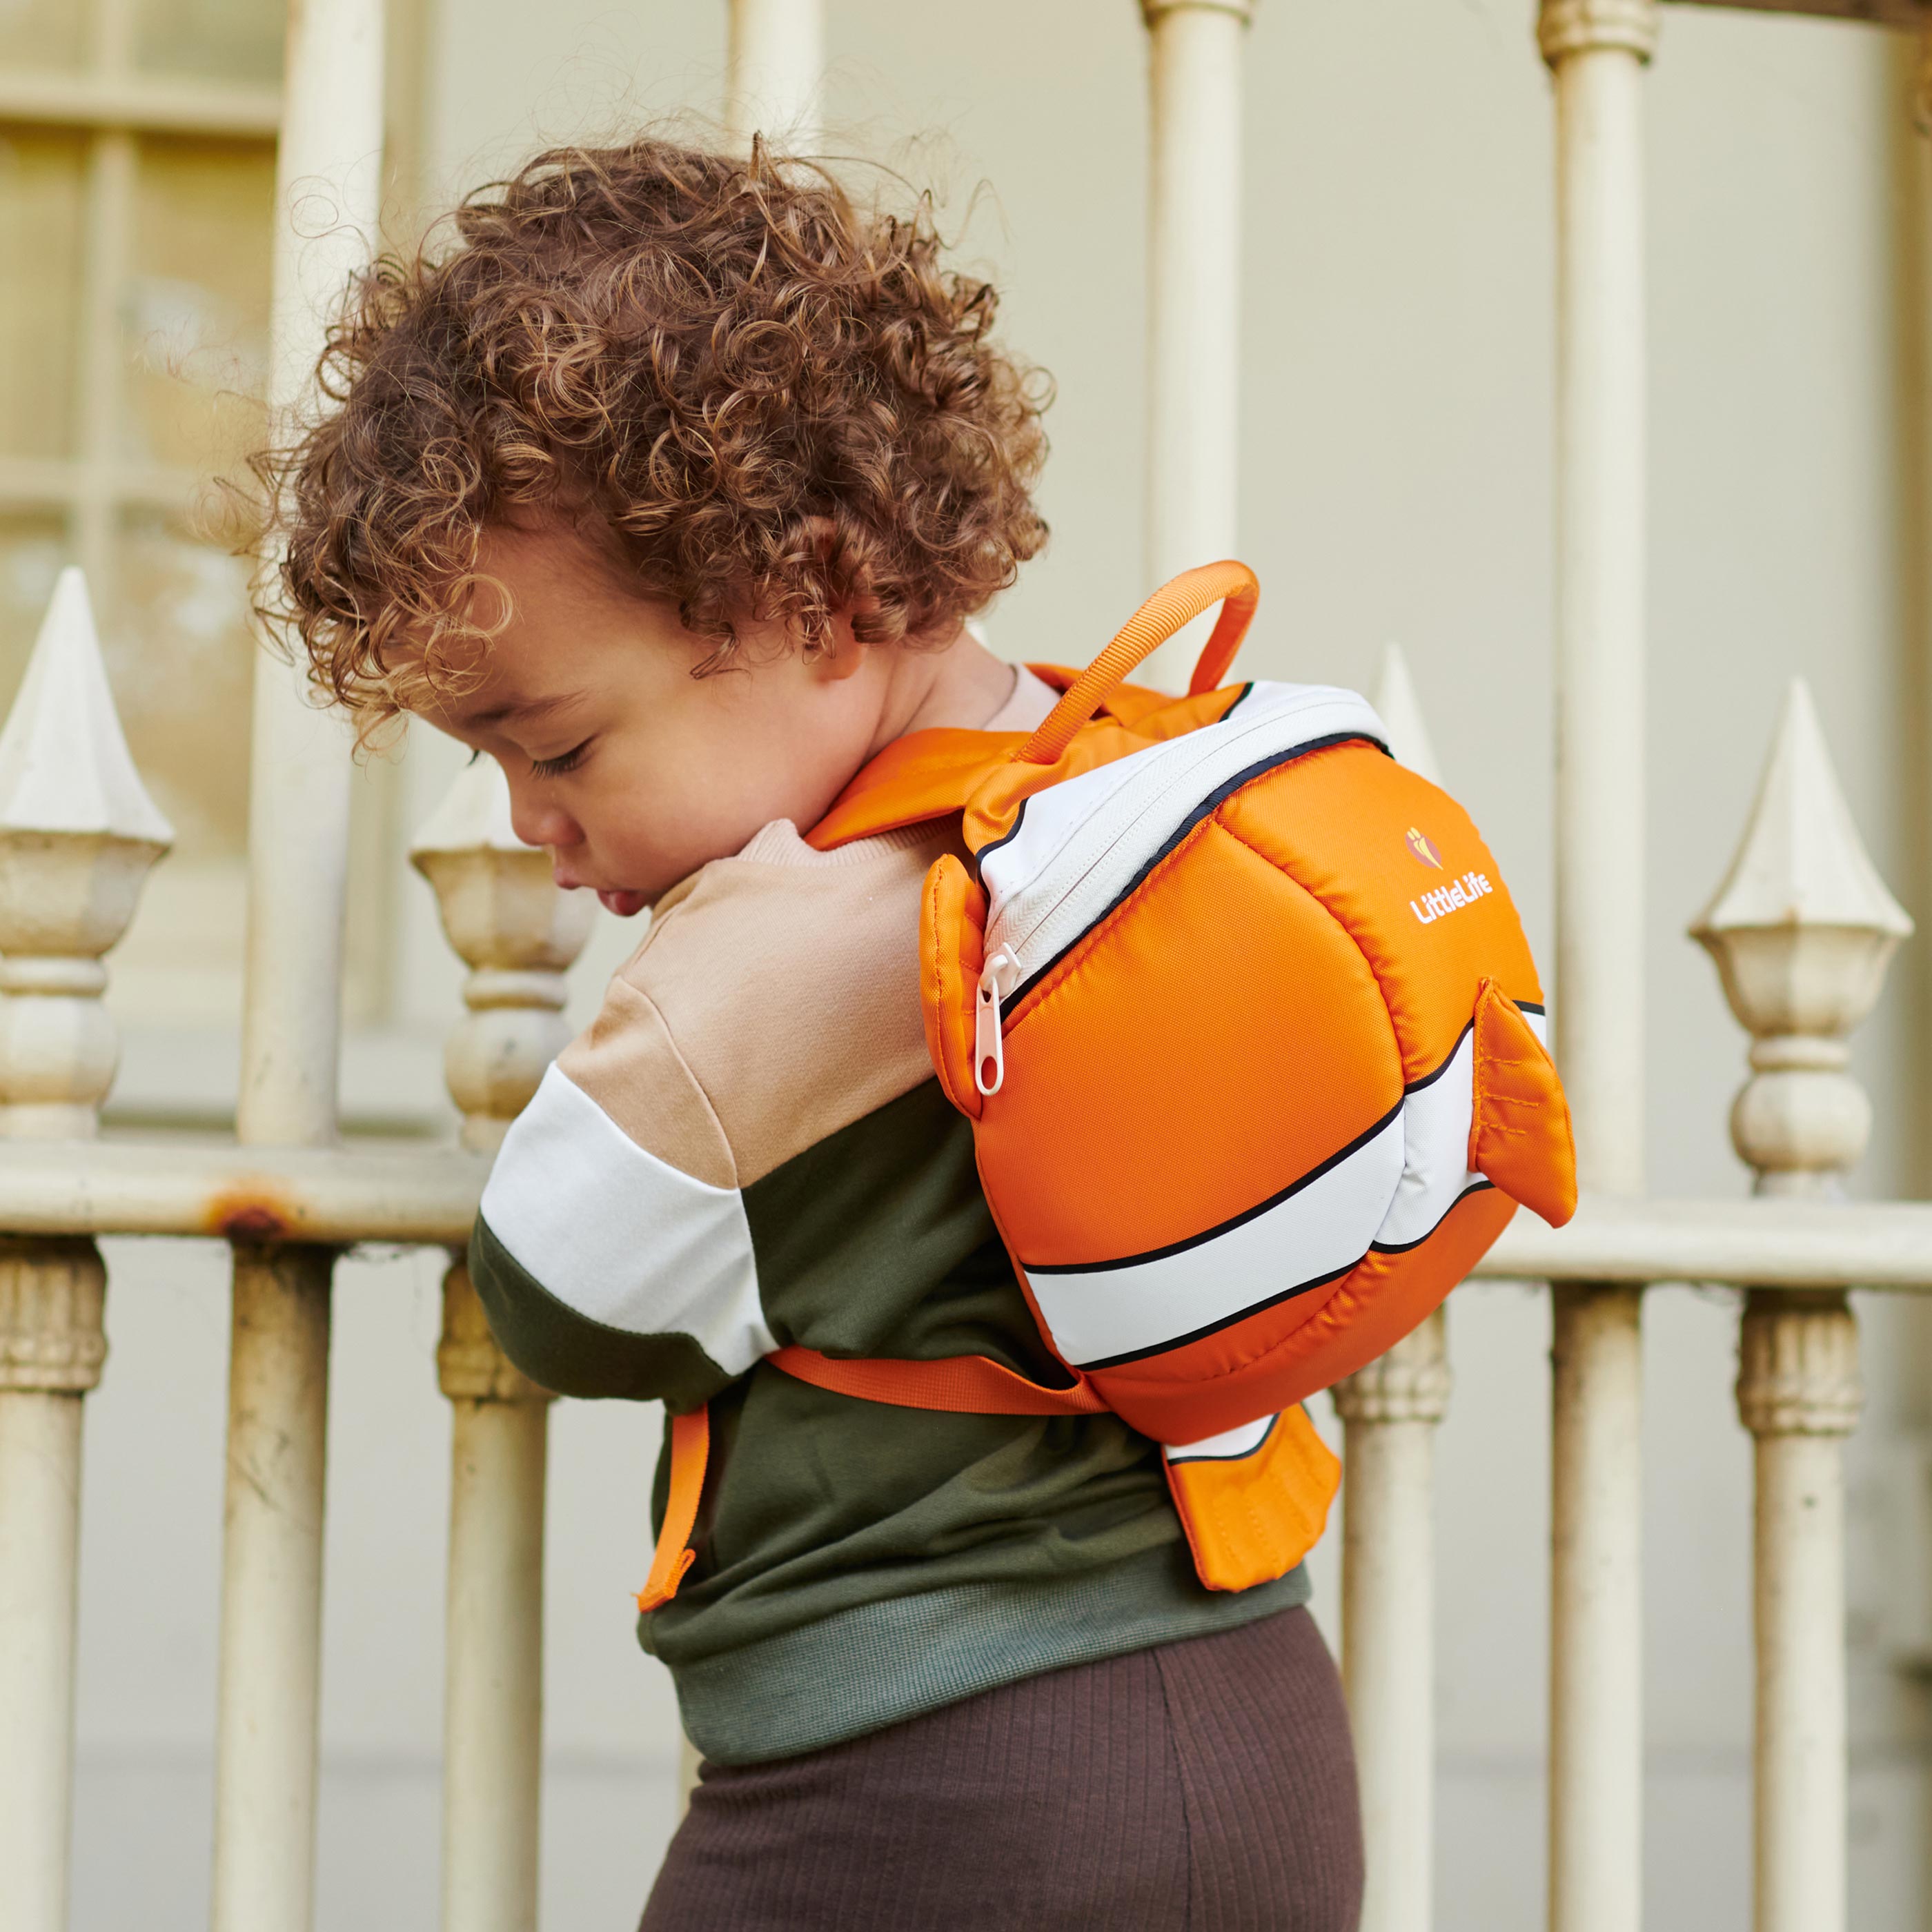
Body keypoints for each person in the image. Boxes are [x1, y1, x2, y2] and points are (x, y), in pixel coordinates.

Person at [257, 132, 1364, 1931]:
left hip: (934, 1791)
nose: (534, 827)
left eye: (555, 747)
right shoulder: (1104, 793)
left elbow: (555, 1289)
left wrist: (678, 990)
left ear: (822, 599)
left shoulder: (800, 947)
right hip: (1252, 1724)